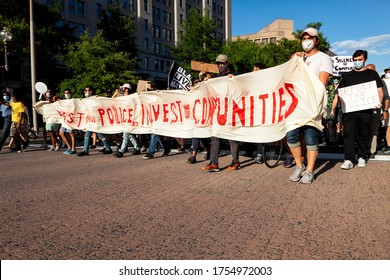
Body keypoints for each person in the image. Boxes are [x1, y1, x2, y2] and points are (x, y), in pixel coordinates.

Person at [287, 28, 333, 183]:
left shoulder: (324, 58)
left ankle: (309, 170)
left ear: (316, 41)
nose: (306, 41)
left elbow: (321, 83)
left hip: (313, 104)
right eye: (303, 38)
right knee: (291, 135)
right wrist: (294, 62)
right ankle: (299, 165)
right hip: (296, 105)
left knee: (310, 136)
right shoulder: (298, 59)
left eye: (309, 38)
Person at [332, 50, 383, 169]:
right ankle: (349, 158)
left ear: (365, 59)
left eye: (359, 60)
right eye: (355, 60)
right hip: (349, 111)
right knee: (348, 133)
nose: (357, 62)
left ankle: (361, 156)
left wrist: (378, 103)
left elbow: (379, 90)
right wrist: (338, 100)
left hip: (366, 111)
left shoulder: (372, 74)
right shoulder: (347, 75)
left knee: (363, 134)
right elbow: (339, 91)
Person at [202, 54, 241, 172]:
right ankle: (214, 163)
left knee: (232, 138)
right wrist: (206, 82)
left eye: (222, 63)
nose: (220, 66)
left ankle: (235, 162)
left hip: (232, 112)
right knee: (215, 136)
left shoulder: (236, 75)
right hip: (219, 113)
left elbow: (243, 89)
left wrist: (234, 80)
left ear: (227, 63)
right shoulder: (216, 79)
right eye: (218, 64)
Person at [77, 86, 113, 156]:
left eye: (86, 90)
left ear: (91, 92)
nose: (85, 92)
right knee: (89, 135)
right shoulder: (85, 100)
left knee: (99, 135)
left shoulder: (96, 99)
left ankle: (107, 148)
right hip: (90, 120)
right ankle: (86, 150)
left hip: (96, 120)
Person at [113, 83, 141, 158]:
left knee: (125, 134)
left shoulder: (132, 97)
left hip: (131, 118)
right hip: (124, 118)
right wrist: (115, 94)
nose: (121, 89)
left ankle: (121, 151)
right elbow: (111, 102)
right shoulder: (121, 97)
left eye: (123, 88)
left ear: (127, 89)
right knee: (129, 135)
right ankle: (137, 148)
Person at [60, 89, 77, 155]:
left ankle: (73, 149)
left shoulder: (73, 101)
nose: (67, 94)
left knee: (71, 134)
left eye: (68, 93)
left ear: (71, 93)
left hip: (71, 119)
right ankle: (69, 147)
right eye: (65, 93)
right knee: (61, 133)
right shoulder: (63, 102)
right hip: (64, 120)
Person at [379, 67, 390, 153]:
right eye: (387, 71)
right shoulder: (383, 82)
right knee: (387, 127)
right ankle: (388, 144)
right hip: (385, 107)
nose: (388, 73)